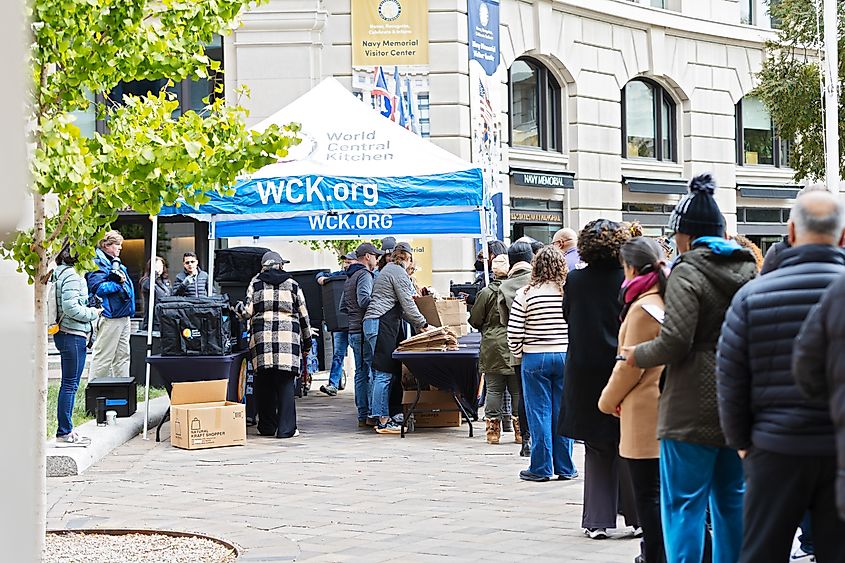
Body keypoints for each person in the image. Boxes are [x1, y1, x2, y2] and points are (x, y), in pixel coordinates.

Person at [623, 173, 757, 563]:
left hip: (689, 407)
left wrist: (638, 354)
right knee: (732, 502)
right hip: (738, 402)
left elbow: (676, 339)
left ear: (685, 235)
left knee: (684, 504)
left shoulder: (687, 270)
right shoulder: (749, 269)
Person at [718, 188, 845, 562]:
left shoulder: (752, 296)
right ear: (842, 235)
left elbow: (730, 379)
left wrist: (744, 443)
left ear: (790, 232)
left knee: (762, 551)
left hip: (775, 446)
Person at [558, 219, 639, 539]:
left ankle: (597, 520)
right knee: (627, 444)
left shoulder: (575, 281)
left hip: (585, 370)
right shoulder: (628, 279)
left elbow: (568, 317)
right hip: (623, 367)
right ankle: (637, 518)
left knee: (596, 447)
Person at [598, 237, 668, 563]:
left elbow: (629, 364)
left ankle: (653, 554)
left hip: (643, 409)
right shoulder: (664, 298)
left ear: (631, 267)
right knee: (660, 493)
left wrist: (606, 400)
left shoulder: (643, 307)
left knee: (648, 495)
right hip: (661, 404)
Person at [507, 245, 577, 482]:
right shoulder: (567, 292)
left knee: (538, 412)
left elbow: (515, 330)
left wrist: (519, 352)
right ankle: (566, 467)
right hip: (565, 355)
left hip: (535, 356)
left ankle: (541, 467)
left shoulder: (526, 294)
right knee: (563, 412)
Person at [237, 251, 311, 438]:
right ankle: (286, 429)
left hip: (262, 340)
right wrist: (307, 340)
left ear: (263, 266)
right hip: (288, 338)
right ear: (280, 265)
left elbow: (247, 311)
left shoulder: (256, 283)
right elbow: (303, 315)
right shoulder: (293, 284)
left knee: (264, 382)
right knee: (285, 383)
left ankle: (267, 426)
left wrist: (237, 310)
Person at [363, 242, 431, 434]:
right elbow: (409, 304)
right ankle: (383, 420)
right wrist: (424, 325)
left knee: (380, 372)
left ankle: (380, 414)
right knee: (383, 372)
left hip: (374, 321)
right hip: (380, 322)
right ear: (408, 258)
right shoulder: (398, 273)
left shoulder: (388, 269)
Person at [53, 245, 101, 446]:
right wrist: (94, 313)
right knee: (70, 384)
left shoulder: (60, 272)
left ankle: (65, 429)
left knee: (69, 383)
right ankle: (65, 431)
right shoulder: (73, 275)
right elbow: (71, 307)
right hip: (72, 333)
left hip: (67, 333)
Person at [469, 254, 517, 445]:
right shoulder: (518, 290)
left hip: (491, 344)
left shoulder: (486, 293)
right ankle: (520, 432)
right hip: (514, 341)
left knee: (494, 389)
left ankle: (493, 433)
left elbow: (475, 319)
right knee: (517, 391)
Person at [498, 240, 535, 454]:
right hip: (550, 344)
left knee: (523, 395)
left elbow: (505, 321)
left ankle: (526, 440)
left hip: (520, 348)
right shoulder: (542, 281)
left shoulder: (505, 286)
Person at [341, 243, 383, 427]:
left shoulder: (349, 277)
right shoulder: (364, 275)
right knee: (372, 371)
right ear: (367, 256)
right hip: (364, 330)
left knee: (360, 373)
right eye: (375, 256)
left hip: (353, 330)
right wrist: (381, 302)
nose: (377, 260)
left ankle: (362, 414)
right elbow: (364, 299)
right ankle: (372, 414)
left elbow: (342, 306)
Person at [87, 230, 136, 378]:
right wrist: (119, 283)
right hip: (110, 315)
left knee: (122, 356)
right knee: (104, 356)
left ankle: (122, 391)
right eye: (116, 244)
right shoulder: (97, 261)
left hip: (122, 314)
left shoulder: (112, 261)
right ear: (105, 245)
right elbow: (97, 288)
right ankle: (95, 392)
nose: (120, 247)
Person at [317, 252, 356, 397]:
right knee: (338, 353)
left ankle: (362, 382)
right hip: (340, 323)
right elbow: (320, 274)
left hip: (355, 322)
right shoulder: (339, 274)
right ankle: (333, 384)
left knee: (360, 355)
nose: (346, 265)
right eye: (345, 262)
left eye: (349, 262)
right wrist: (321, 277)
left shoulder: (361, 275)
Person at [139, 256, 170, 332]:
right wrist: (155, 273)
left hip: (166, 318)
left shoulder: (166, 281)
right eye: (156, 266)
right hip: (153, 320)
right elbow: (147, 287)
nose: (159, 268)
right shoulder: (146, 280)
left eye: (161, 266)